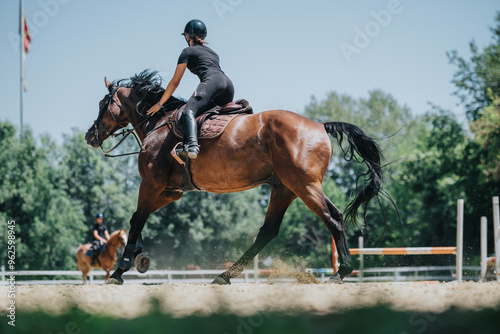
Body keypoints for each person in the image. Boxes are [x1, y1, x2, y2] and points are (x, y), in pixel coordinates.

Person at [146, 19, 235, 159]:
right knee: (208, 112)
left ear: (188, 36)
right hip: (228, 85)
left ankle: (192, 145)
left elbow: (175, 82)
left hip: (212, 82)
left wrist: (159, 104)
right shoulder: (213, 53)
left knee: (188, 111)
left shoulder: (187, 52)